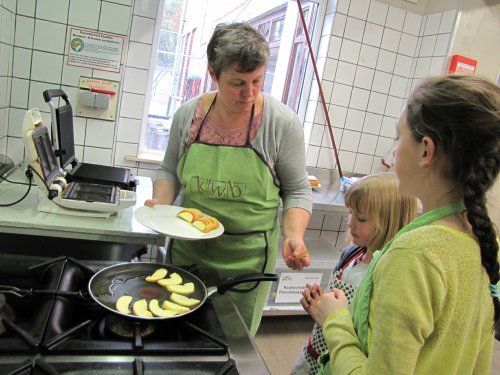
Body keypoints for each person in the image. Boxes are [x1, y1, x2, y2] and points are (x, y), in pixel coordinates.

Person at [301, 74, 500, 375]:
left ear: (426, 150)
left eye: (399, 137)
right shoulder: (483, 241)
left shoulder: (414, 255)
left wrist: (335, 320)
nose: (393, 151)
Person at [146, 22, 312, 336]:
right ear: (213, 72)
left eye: (257, 81)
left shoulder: (281, 124)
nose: (249, 93)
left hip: (246, 266)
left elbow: (297, 189)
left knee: (231, 346)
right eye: (237, 82)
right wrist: (161, 204)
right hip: (188, 254)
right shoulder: (188, 117)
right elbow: (168, 170)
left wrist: (294, 234)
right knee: (176, 334)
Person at [292, 172, 418, 374]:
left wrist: (330, 317)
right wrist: (319, 303)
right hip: (314, 353)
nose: (350, 223)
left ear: (389, 223)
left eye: (361, 218)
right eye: (350, 213)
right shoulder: (352, 253)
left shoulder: (386, 275)